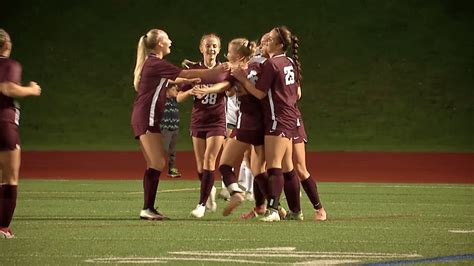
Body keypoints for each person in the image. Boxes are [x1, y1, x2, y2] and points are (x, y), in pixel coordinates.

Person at [132, 29, 228, 220]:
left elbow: (176, 81)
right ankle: (147, 208)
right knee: (158, 162)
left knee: (156, 162)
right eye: (167, 38)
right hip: (146, 116)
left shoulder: (153, 63)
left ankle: (148, 208)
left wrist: (189, 81)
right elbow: (186, 72)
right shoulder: (155, 63)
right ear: (159, 43)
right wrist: (218, 71)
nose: (170, 41)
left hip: (146, 116)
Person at [231, 26, 301, 222]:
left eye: (270, 40)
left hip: (277, 118)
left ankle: (273, 210)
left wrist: (243, 80)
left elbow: (259, 93)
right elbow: (297, 93)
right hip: (290, 116)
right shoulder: (289, 61)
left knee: (274, 166)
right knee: (286, 166)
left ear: (279, 45)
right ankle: (296, 210)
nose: (266, 42)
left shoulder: (272, 64)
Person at [177, 34, 232, 218]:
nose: (212, 49)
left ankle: (201, 205)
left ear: (219, 48)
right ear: (201, 48)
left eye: (215, 46)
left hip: (217, 121)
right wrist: (191, 91)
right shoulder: (194, 70)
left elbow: (229, 88)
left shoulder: (224, 68)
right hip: (198, 120)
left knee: (210, 160)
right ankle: (210, 192)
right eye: (208, 46)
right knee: (201, 166)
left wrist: (217, 88)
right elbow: (178, 96)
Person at [0, 29, 42, 238]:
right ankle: (3, 227)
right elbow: (8, 89)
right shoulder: (9, 65)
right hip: (3, 123)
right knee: (9, 178)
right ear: (6, 44)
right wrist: (32, 90)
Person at [160, 85, 181, 178]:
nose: (176, 91)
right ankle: (156, 168)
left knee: (172, 151)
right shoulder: (162, 100)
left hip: (174, 128)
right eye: (173, 89)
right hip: (166, 129)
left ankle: (172, 169)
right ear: (167, 90)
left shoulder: (174, 100)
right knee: (162, 149)